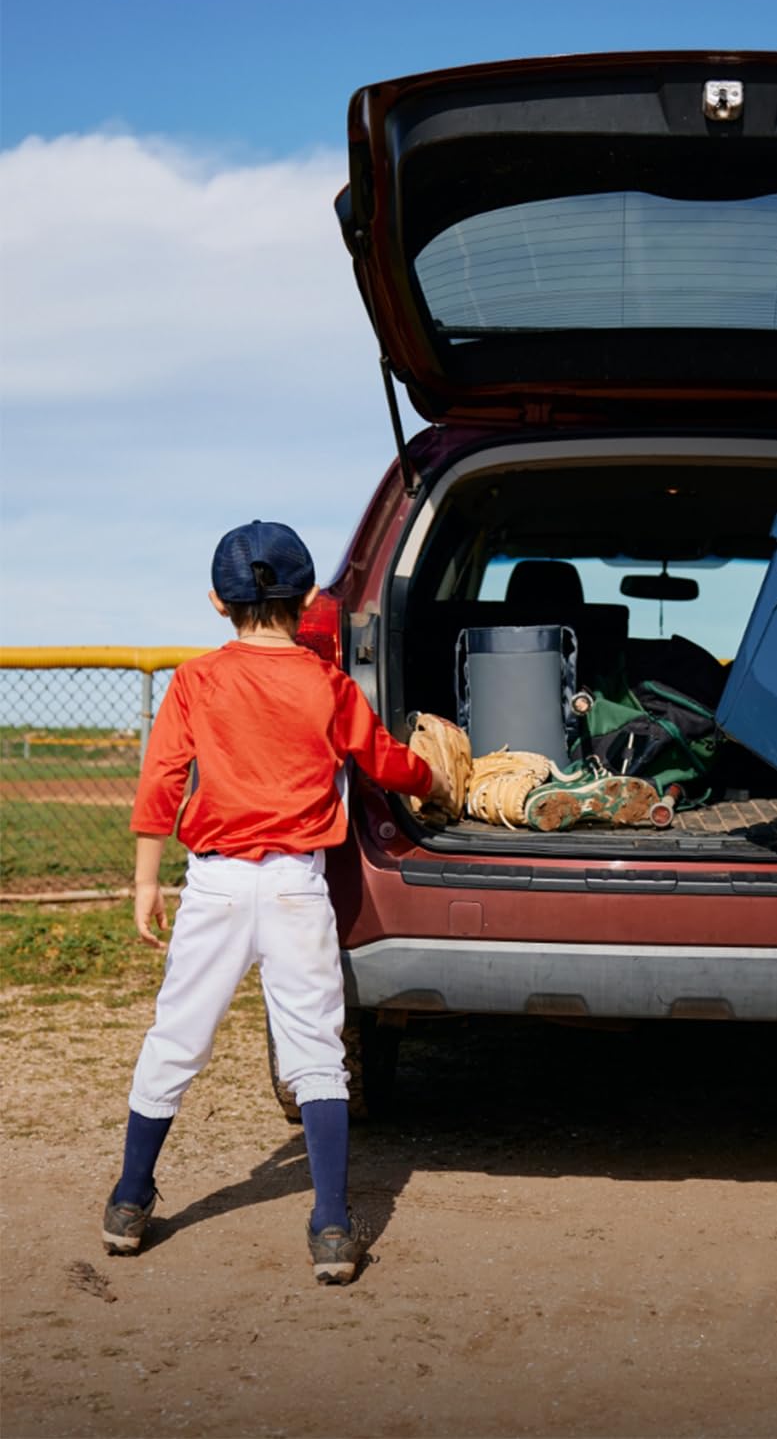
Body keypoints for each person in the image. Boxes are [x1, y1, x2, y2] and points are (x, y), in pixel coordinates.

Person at [102, 521, 448, 1284]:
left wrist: (145, 878)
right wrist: (431, 778)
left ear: (217, 605)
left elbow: (163, 778)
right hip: (297, 885)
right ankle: (329, 1225)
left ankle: (129, 1201)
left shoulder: (196, 680)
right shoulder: (326, 682)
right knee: (316, 1053)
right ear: (309, 600)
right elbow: (381, 760)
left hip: (217, 884)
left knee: (176, 1038)